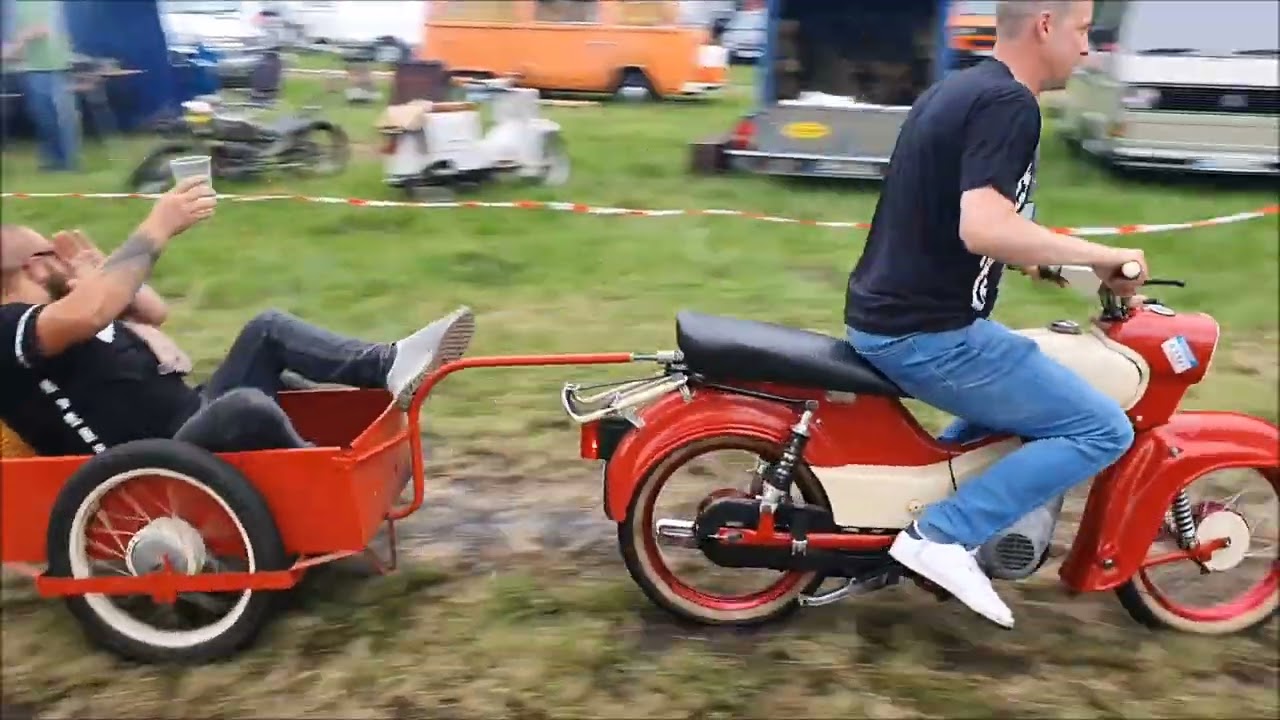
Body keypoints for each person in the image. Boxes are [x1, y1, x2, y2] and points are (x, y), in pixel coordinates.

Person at [843, 0, 1146, 629]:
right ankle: (940, 537)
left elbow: (978, 224)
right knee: (1102, 429)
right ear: (1045, 26)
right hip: (928, 334)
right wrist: (1104, 252)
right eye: (1083, 31)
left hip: (892, 316)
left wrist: (1074, 268)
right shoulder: (1012, 106)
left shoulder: (958, 88)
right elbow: (983, 227)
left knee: (1019, 394)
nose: (1088, 49)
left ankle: (916, 522)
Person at [0, 177, 476, 457]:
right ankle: (325, 477)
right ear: (33, 264)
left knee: (266, 331)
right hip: (153, 459)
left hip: (189, 419)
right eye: (54, 255)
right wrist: (157, 226)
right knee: (246, 405)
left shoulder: (71, 310)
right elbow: (92, 312)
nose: (66, 260)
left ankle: (388, 365)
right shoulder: (10, 328)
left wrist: (103, 273)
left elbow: (152, 310)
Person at [2, 0, 80, 171]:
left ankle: (65, 163)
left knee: (54, 116)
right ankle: (53, 160)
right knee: (43, 116)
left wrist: (13, 47)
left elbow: (41, 29)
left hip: (49, 65)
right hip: (31, 65)